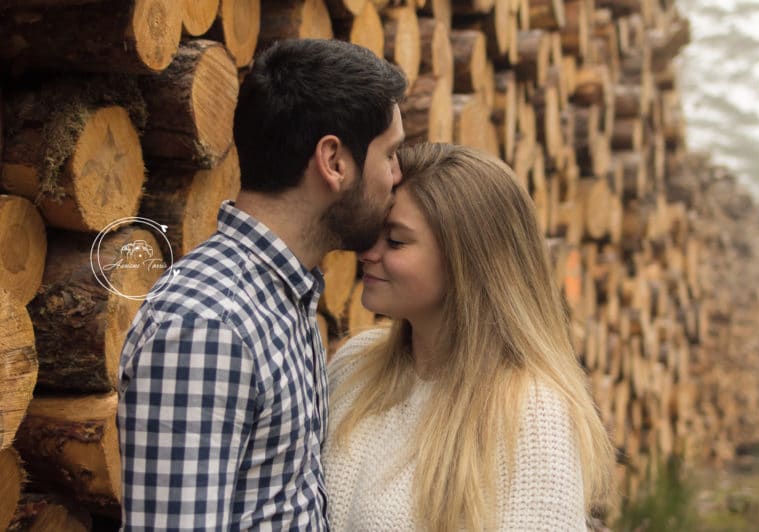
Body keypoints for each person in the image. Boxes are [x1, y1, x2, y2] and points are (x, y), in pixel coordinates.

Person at [117, 39, 406, 530]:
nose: (397, 175)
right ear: (334, 161)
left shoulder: (281, 298)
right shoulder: (208, 325)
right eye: (391, 154)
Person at [322, 143, 615, 531]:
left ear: (467, 262)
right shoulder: (354, 365)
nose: (367, 252)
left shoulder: (532, 411)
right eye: (376, 233)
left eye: (395, 241)